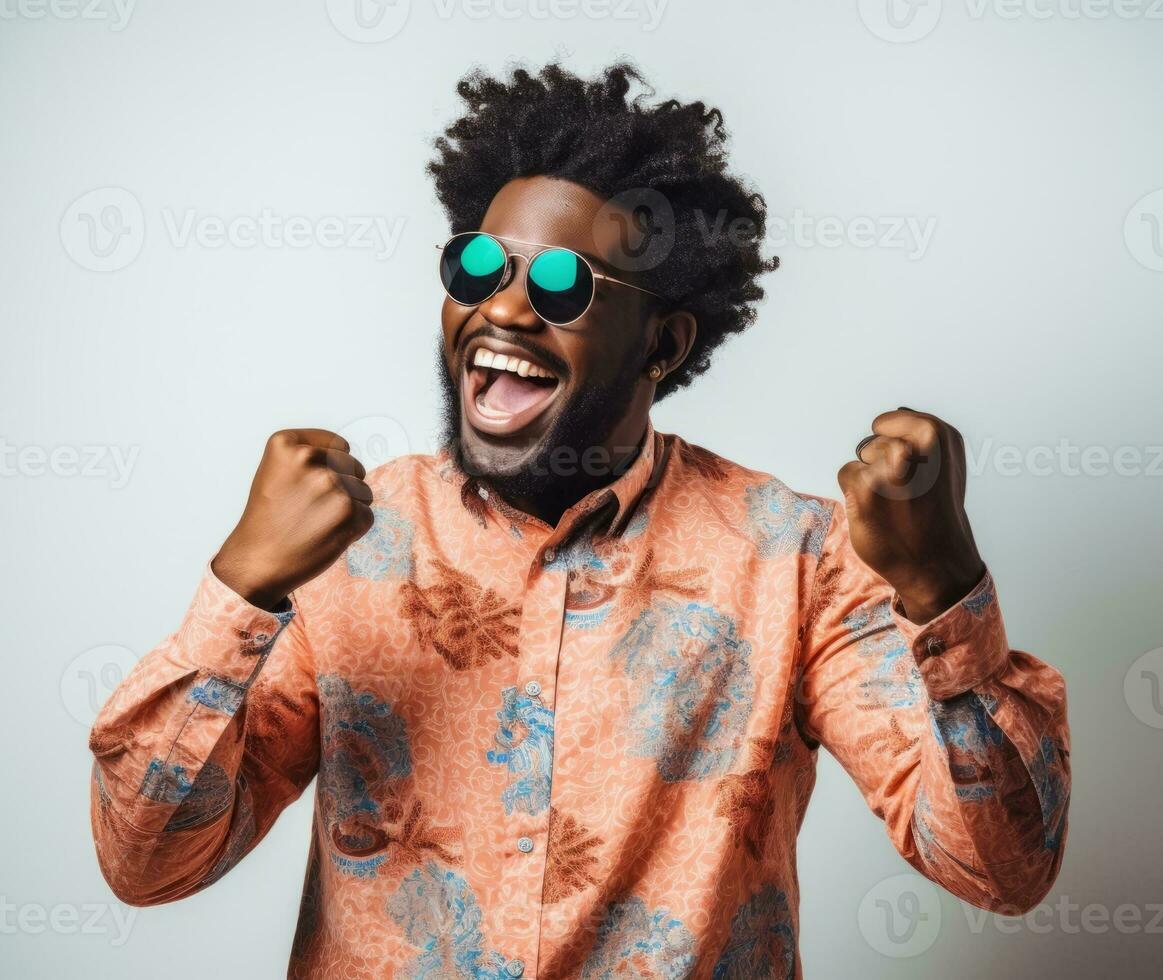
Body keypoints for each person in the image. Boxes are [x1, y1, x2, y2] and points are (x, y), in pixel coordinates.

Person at [88, 62, 1069, 979]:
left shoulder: (796, 559)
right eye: (476, 268)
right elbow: (148, 860)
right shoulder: (349, 537)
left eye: (559, 285)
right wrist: (240, 588)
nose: (504, 310)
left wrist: (943, 591)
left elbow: (996, 867)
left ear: (663, 343)